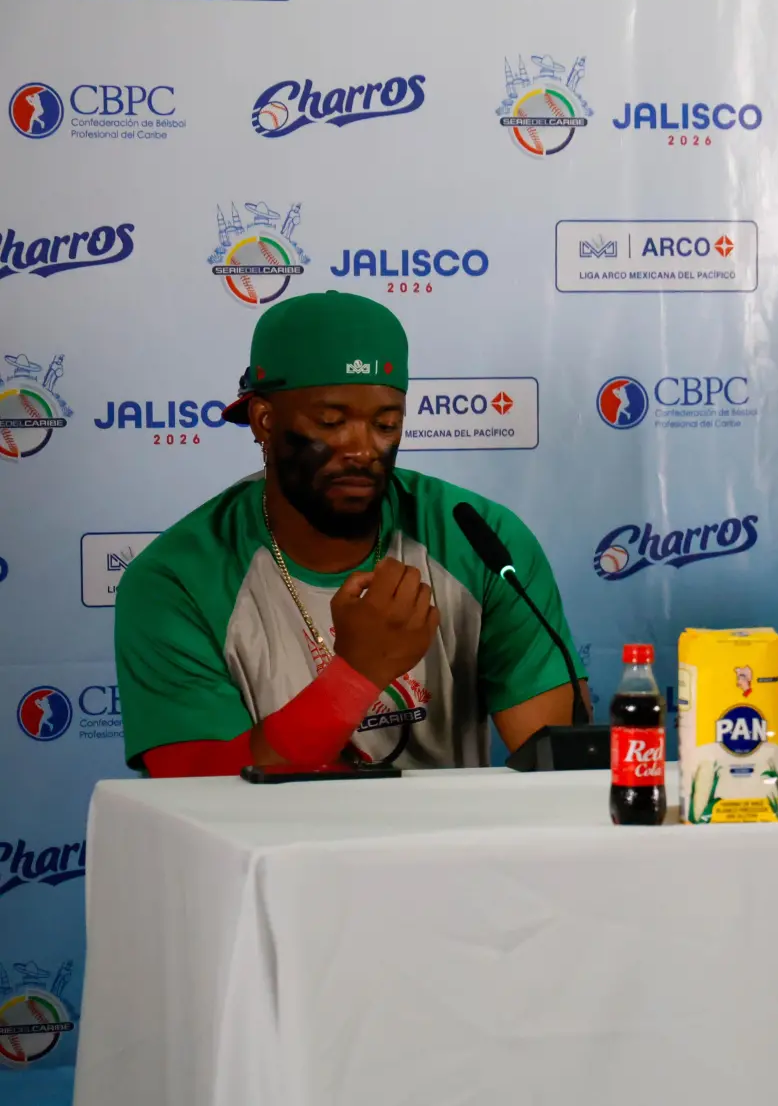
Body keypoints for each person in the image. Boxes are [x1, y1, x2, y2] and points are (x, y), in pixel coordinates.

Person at [115, 291, 583, 776]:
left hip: (448, 846)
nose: (362, 450)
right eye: (331, 423)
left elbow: (560, 766)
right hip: (271, 850)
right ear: (264, 420)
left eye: (386, 424)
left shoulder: (481, 542)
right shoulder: (176, 580)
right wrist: (358, 674)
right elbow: (199, 793)